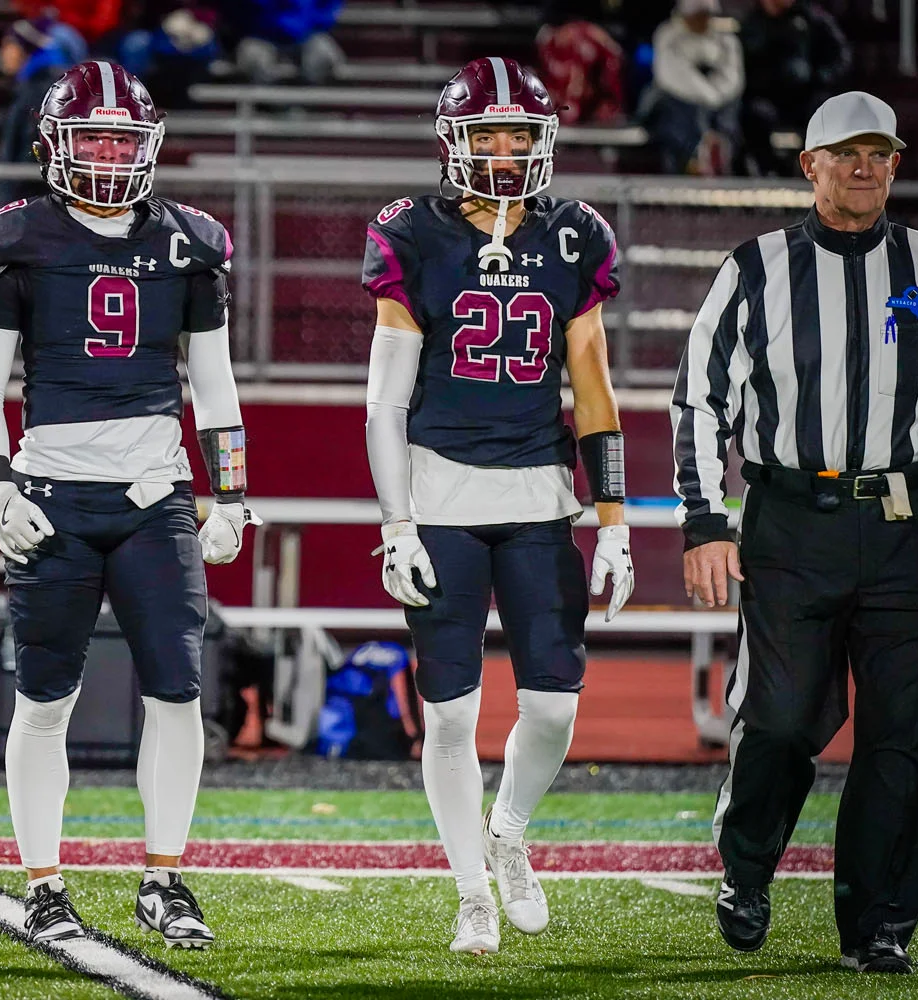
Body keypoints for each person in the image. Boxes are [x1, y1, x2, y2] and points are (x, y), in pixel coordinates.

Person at [673, 91, 918, 974]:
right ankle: (747, 864)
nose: (863, 167)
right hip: (791, 521)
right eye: (844, 153)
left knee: (903, 737)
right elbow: (700, 397)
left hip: (909, 524)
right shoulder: (754, 268)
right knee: (779, 720)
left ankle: (878, 925)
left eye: (878, 152)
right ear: (808, 165)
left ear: (894, 164)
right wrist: (704, 518)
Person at [0, 60, 258, 949]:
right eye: (91, 136)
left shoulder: (191, 241)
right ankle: (45, 886)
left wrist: (232, 494)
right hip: (50, 496)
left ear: (150, 146)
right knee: (43, 698)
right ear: (54, 143)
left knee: (178, 692)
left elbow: (217, 386)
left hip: (153, 496)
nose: (107, 153)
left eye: (123, 139)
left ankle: (163, 879)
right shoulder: (15, 239)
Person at [361, 56, 634, 956]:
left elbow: (592, 389)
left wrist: (616, 520)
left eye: (523, 135)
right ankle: (471, 890)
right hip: (440, 489)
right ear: (455, 142)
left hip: (538, 492)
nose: (509, 151)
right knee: (448, 714)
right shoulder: (414, 232)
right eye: (491, 135)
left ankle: (508, 831)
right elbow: (386, 402)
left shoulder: (574, 233)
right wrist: (395, 521)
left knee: (554, 706)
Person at [738, 0, 851, 176]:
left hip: (806, 95)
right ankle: (769, 170)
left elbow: (840, 56)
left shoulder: (813, 19)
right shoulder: (752, 24)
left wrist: (820, 78)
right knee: (753, 115)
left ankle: (814, 169)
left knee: (822, 111)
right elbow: (743, 66)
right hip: (767, 99)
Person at [644, 0, 743, 175]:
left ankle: (720, 151)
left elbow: (733, 78)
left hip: (719, 104)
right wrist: (706, 95)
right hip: (679, 103)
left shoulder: (726, 40)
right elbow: (672, 77)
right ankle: (695, 156)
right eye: (697, 15)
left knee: (732, 112)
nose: (701, 20)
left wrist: (714, 95)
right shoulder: (668, 35)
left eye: (705, 15)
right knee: (674, 110)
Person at [0, 14, 80, 207]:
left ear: (25, 49)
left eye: (8, 45)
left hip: (32, 200)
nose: (3, 53)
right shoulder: (26, 87)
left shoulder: (41, 90)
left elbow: (34, 150)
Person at [535, 2, 626, 125]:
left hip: (594, 111)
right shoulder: (547, 39)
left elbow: (615, 59)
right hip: (559, 112)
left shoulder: (592, 37)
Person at [222, 0, 345, 86]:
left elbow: (328, 9)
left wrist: (305, 26)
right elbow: (237, 11)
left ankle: (303, 106)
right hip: (258, 36)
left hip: (307, 35)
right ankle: (273, 108)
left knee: (324, 55)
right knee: (252, 57)